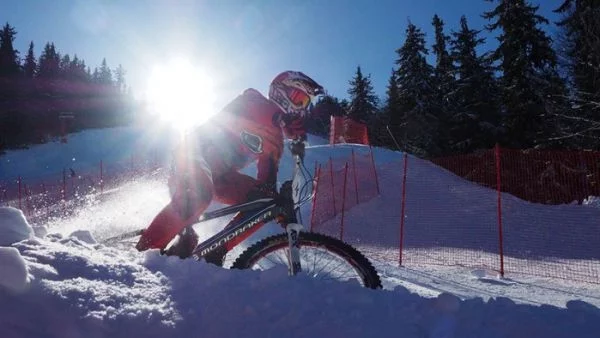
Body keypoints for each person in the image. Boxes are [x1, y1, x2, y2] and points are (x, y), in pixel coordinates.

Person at [135, 71, 324, 255]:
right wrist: (278, 117)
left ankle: (216, 252)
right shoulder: (252, 100)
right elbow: (251, 111)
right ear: (280, 90)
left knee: (263, 204)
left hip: (220, 176)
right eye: (298, 98)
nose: (300, 107)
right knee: (199, 193)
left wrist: (278, 205)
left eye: (305, 103)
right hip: (192, 156)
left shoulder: (275, 139)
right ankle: (143, 252)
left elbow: (267, 179)